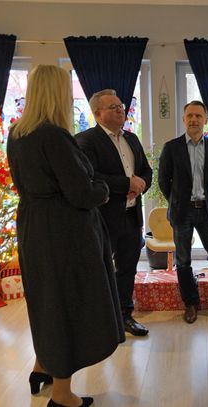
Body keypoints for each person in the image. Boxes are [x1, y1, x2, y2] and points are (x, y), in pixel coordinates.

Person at [7, 65, 124, 407]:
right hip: (64, 233)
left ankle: (42, 367)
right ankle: (61, 395)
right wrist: (104, 189)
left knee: (46, 300)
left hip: (33, 226)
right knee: (67, 304)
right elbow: (81, 193)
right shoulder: (54, 136)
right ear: (55, 94)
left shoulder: (16, 134)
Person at [76, 89, 152, 336]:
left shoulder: (132, 138)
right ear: (97, 113)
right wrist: (126, 184)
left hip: (131, 216)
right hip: (102, 218)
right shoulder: (86, 140)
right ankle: (97, 320)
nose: (120, 110)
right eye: (113, 107)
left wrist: (140, 185)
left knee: (127, 269)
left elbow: (146, 171)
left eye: (121, 106)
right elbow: (90, 177)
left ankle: (124, 316)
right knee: (97, 270)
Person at [158, 100, 208, 325]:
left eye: (198, 116)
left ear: (205, 120)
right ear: (184, 119)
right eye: (190, 115)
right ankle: (191, 304)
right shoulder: (171, 148)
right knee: (183, 261)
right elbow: (163, 180)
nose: (194, 119)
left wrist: (207, 197)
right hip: (182, 212)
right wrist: (177, 200)